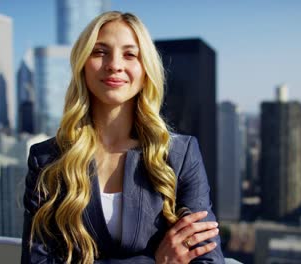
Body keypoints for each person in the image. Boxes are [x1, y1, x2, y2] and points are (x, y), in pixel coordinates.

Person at [21, 11, 225, 264]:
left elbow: (207, 258)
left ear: (145, 69)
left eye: (130, 54)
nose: (115, 64)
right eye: (99, 52)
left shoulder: (181, 154)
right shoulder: (46, 160)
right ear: (82, 64)